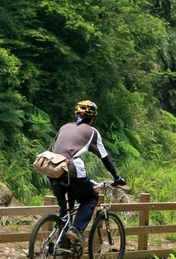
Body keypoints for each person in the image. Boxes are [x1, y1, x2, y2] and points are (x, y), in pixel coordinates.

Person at [50, 100, 125, 247]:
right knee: (90, 199)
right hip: (71, 168)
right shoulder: (92, 132)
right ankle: (76, 230)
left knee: (65, 209)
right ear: (92, 118)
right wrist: (117, 178)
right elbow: (105, 157)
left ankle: (62, 247)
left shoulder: (64, 127)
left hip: (52, 168)